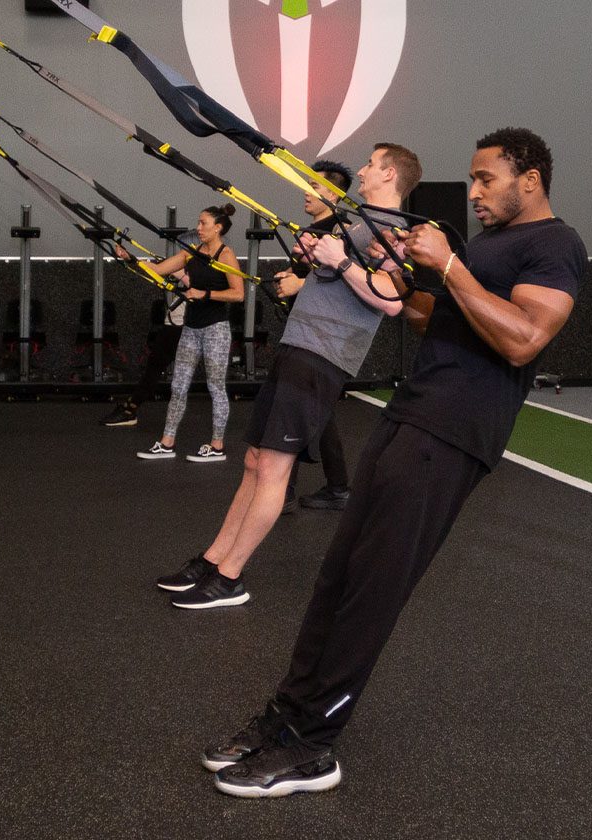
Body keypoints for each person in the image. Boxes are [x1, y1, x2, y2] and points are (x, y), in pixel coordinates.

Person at [202, 127, 588, 797]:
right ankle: (287, 716)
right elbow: (428, 315)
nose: (472, 192)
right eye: (471, 179)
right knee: (339, 577)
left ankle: (313, 747)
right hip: (408, 413)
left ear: (530, 180)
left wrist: (451, 267)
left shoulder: (556, 245)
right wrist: (387, 268)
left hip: (454, 431)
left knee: (372, 591)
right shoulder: (487, 244)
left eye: (485, 180)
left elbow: (524, 339)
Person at [157, 143, 422, 608]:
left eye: (370, 163)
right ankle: (214, 558)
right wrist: (315, 256)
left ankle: (230, 578)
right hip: (298, 346)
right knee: (256, 461)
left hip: (323, 354)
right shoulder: (359, 223)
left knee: (275, 468)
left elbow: (392, 299)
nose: (361, 169)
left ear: (389, 174)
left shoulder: (393, 231)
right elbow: (338, 275)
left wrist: (338, 260)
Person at [116, 204, 244, 462]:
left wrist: (204, 294)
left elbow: (238, 294)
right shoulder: (192, 253)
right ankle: (167, 442)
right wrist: (130, 259)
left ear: (217, 227)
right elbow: (159, 269)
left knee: (216, 387)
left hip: (216, 330)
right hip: (191, 328)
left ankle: (217, 446)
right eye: (198, 223)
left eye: (203, 223)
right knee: (178, 386)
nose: (198, 228)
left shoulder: (226, 255)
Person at [276, 160, 354, 516]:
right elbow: (309, 274)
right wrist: (290, 279)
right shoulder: (311, 229)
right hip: (303, 328)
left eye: (315, 187)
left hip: (323, 336)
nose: (307, 192)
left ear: (333, 195)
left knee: (293, 408)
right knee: (317, 412)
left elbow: (348, 281)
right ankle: (337, 488)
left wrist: (301, 282)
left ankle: (284, 491)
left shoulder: (345, 232)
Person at [98, 289, 185, 428]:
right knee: (155, 365)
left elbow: (178, 274)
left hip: (185, 323)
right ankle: (130, 409)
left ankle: (130, 410)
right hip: (178, 321)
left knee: (156, 366)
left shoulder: (193, 269)